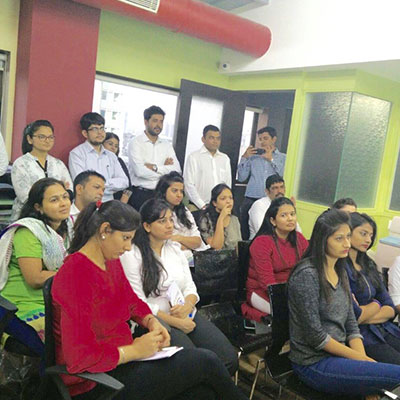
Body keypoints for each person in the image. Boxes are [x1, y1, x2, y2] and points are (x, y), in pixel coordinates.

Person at [52, 200, 247, 400]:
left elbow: (131, 301)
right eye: (125, 238)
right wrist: (134, 350)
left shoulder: (109, 261)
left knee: (204, 393)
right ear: (104, 230)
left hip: (124, 362)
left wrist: (151, 320)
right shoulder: (75, 274)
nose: (128, 247)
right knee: (206, 361)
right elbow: (80, 357)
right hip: (98, 380)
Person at [288, 209, 400, 398]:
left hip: (340, 356)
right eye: (339, 238)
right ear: (323, 240)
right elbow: (316, 337)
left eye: (348, 236)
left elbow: (351, 325)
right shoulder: (307, 275)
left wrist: (363, 365)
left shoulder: (339, 270)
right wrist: (364, 362)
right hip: (314, 363)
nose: (347, 243)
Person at [120, 198, 238, 375]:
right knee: (196, 366)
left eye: (170, 219)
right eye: (162, 221)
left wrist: (188, 306)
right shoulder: (132, 254)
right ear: (147, 226)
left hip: (185, 312)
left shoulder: (175, 248)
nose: (169, 225)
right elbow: (139, 302)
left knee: (228, 359)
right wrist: (178, 323)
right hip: (157, 320)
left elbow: (190, 286)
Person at [0, 178, 70, 339]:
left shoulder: (69, 228)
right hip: (23, 305)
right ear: (38, 207)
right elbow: (35, 278)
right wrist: (73, 272)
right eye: (54, 200)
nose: (63, 203)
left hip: (55, 300)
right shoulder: (28, 232)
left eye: (65, 197)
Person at [345, 212, 400, 365]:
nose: (368, 240)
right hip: (361, 337)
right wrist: (376, 304)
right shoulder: (339, 267)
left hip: (385, 329)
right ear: (348, 232)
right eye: (363, 234)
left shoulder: (368, 264)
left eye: (370, 235)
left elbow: (390, 307)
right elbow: (351, 317)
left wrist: (367, 313)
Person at [243, 197, 308, 321]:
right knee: (295, 314)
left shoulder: (299, 239)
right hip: (264, 292)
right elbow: (267, 283)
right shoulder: (262, 243)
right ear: (273, 221)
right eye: (284, 215)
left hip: (293, 291)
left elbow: (309, 267)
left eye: (292, 214)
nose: (290, 218)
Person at [11, 120, 72, 221]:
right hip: (29, 216)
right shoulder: (21, 164)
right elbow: (25, 197)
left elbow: (69, 190)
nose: (47, 141)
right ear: (30, 139)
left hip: (57, 215)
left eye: (50, 137)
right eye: (42, 137)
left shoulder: (58, 164)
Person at [127, 106, 181, 211]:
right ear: (146, 122)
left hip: (161, 196)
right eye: (155, 121)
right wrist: (165, 173)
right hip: (140, 194)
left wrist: (155, 168)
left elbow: (177, 170)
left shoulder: (166, 145)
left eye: (161, 121)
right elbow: (140, 172)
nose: (159, 125)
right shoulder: (135, 143)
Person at [237, 126, 286, 240]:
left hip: (271, 200)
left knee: (269, 229)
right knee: (245, 232)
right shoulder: (253, 157)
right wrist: (244, 158)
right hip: (251, 198)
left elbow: (283, 175)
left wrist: (271, 160)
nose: (262, 142)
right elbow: (241, 178)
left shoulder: (283, 158)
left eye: (265, 138)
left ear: (274, 139)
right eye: (260, 139)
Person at [68, 112, 128, 201]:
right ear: (85, 133)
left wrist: (99, 184)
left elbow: (124, 182)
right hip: (87, 204)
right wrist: (111, 185)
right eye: (95, 129)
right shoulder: (77, 154)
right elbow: (82, 184)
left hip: (108, 204)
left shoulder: (111, 156)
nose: (100, 132)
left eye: (102, 128)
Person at [154, 172, 207, 264]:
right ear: (164, 191)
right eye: (174, 191)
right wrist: (188, 244)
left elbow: (198, 241)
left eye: (181, 191)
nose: (179, 195)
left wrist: (179, 238)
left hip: (193, 259)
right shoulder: (156, 212)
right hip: (169, 260)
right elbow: (165, 245)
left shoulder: (184, 210)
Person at [184, 125, 231, 210]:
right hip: (197, 206)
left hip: (219, 207)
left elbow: (227, 184)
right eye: (211, 138)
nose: (215, 141)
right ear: (203, 139)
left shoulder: (225, 159)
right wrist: (202, 205)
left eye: (218, 138)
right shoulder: (194, 157)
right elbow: (188, 185)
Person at [248, 174, 302, 239]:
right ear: (267, 191)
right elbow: (262, 232)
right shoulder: (259, 205)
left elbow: (298, 232)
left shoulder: (286, 205)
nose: (279, 191)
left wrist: (292, 208)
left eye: (282, 187)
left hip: (285, 242)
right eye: (275, 188)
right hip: (263, 242)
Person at [198, 184, 241, 250]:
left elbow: (238, 246)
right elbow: (216, 247)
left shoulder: (234, 219)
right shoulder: (206, 219)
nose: (228, 201)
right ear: (214, 203)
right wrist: (221, 218)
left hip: (233, 255)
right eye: (223, 198)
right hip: (214, 256)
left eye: (230, 198)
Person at [103, 131, 132, 203]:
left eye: (116, 146)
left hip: (117, 201)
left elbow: (128, 186)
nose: (113, 148)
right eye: (110, 144)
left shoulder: (119, 161)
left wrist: (121, 204)